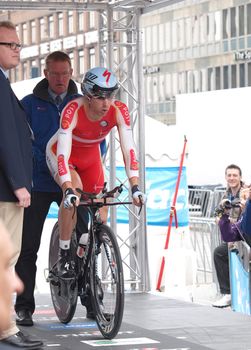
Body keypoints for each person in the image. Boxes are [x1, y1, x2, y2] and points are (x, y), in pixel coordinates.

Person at [46, 66, 146, 281]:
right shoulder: (73, 109)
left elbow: (129, 149)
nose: (106, 102)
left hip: (90, 157)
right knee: (74, 191)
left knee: (101, 205)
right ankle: (64, 254)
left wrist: (135, 186)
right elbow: (63, 154)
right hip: (63, 155)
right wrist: (68, 189)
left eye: (111, 95)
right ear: (88, 95)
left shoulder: (119, 110)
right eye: (100, 97)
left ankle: (91, 250)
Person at [14, 51, 82, 327]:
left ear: (71, 72)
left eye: (65, 73)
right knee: (28, 247)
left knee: (87, 239)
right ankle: (24, 306)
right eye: (55, 73)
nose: (60, 79)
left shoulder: (81, 103)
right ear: (45, 73)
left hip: (71, 181)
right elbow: (16, 139)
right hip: (40, 183)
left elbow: (96, 139)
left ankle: (91, 298)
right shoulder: (29, 104)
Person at [0, 20, 43, 349]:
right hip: (5, 190)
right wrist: (19, 183)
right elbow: (6, 136)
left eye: (18, 45)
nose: (18, 50)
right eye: (11, 45)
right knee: (5, 262)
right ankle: (6, 329)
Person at [212, 164, 245, 308]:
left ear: (240, 177)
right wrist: (219, 218)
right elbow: (217, 213)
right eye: (229, 175)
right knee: (219, 253)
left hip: (245, 235)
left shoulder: (246, 192)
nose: (232, 178)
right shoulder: (226, 196)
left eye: (235, 175)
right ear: (226, 177)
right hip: (233, 236)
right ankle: (228, 294)